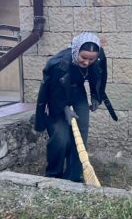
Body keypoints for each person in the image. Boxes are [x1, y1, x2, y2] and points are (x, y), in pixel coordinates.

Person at [33, 32, 108, 182]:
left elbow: (100, 75)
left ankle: (73, 176)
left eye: (91, 59)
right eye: (83, 57)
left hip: (77, 91)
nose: (87, 62)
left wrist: (96, 96)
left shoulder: (99, 56)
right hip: (56, 97)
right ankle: (53, 174)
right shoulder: (57, 64)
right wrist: (65, 109)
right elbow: (51, 91)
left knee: (81, 133)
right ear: (76, 50)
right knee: (60, 138)